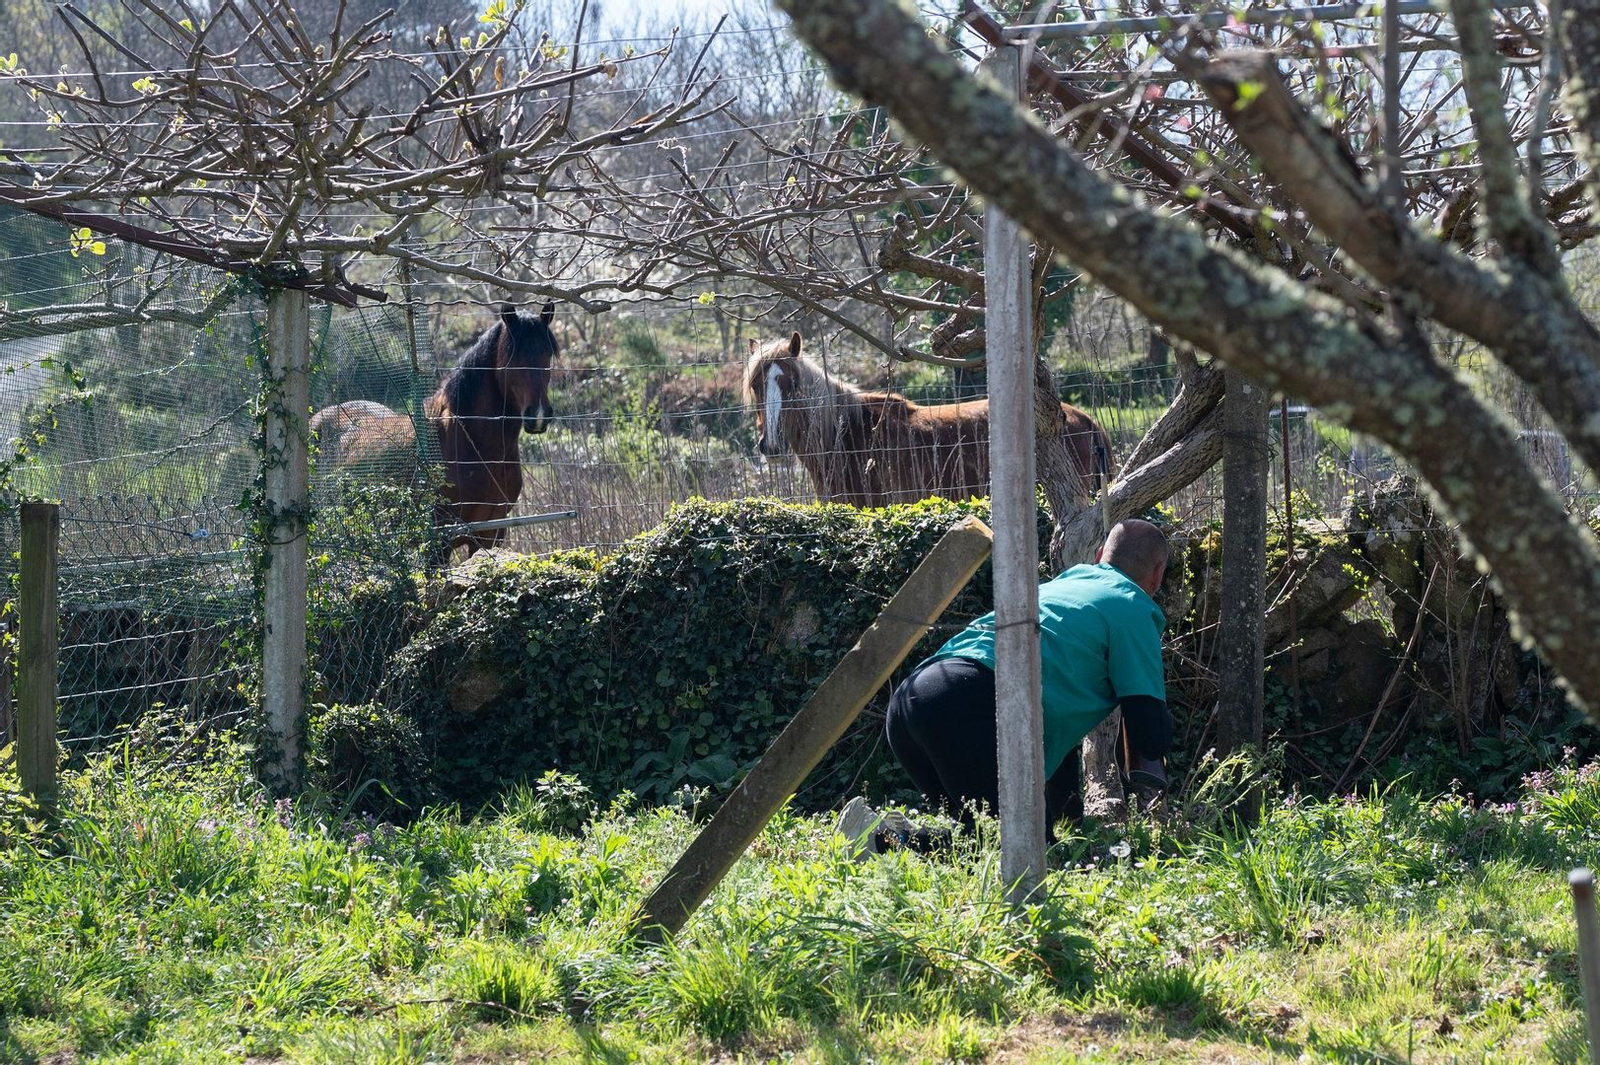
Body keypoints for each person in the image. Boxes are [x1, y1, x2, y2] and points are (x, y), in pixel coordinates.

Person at [839, 519, 1171, 855]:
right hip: (970, 701)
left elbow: (1059, 738)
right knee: (1021, 849)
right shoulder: (1134, 609)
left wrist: (1070, 823)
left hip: (915, 699)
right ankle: (880, 840)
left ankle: (897, 832)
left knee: (990, 838)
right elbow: (1149, 735)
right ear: (1157, 574)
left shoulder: (1066, 585)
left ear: (1100, 554)